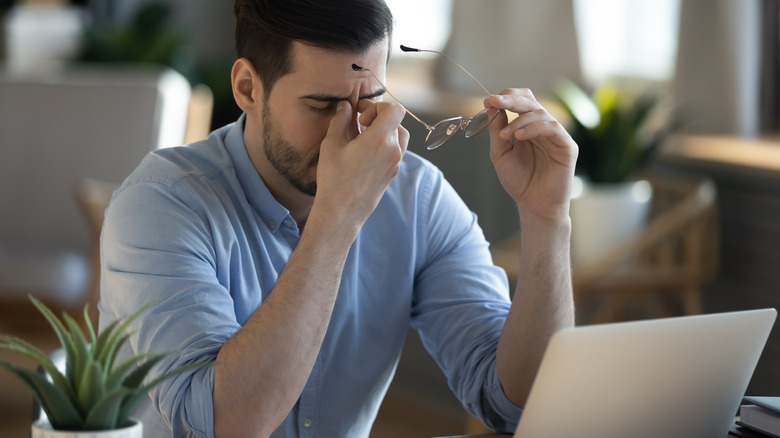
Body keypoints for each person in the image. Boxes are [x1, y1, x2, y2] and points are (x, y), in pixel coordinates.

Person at [98, 1, 577, 437]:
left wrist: (547, 218)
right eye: (322, 105)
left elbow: (514, 404)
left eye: (369, 100)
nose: (349, 132)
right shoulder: (160, 204)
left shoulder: (418, 198)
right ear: (248, 88)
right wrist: (338, 214)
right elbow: (226, 425)